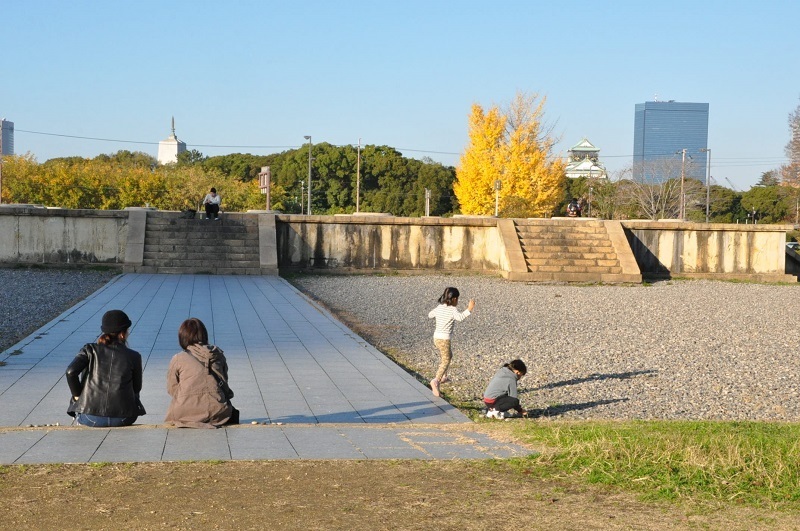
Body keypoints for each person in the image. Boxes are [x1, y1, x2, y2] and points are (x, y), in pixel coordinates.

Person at [66, 310, 144, 427]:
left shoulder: (89, 350)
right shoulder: (134, 356)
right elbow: (137, 388)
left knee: (81, 402)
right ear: (122, 334)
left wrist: (77, 396)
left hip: (90, 417)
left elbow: (70, 372)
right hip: (124, 418)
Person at [164, 318, 238, 428]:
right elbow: (224, 382)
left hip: (184, 412)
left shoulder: (178, 358)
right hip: (218, 412)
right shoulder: (219, 355)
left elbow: (172, 389)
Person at [427, 287, 475, 397]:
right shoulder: (452, 310)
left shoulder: (440, 307)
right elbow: (460, 317)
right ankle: (436, 380)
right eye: (457, 299)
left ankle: (443, 376)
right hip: (444, 339)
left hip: (436, 338)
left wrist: (438, 314)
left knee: (449, 356)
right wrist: (469, 309)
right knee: (446, 359)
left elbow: (430, 315)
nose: (457, 301)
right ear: (453, 299)